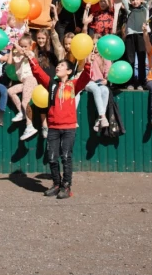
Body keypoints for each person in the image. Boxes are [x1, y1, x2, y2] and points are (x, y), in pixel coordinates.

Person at [28, 52, 92, 199]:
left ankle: (67, 187)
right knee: (51, 157)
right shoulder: (51, 84)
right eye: (58, 65)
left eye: (62, 65)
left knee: (66, 157)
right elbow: (38, 72)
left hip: (69, 127)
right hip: (53, 127)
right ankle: (56, 184)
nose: (58, 67)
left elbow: (86, 77)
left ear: (69, 71)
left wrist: (88, 63)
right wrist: (31, 57)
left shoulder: (74, 84)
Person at [116, 0, 152, 90]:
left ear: (140, 0)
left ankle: (141, 82)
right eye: (132, 0)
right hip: (130, 36)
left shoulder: (145, 7)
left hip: (142, 35)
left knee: (142, 59)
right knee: (130, 59)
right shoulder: (129, 9)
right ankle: (131, 82)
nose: (135, 2)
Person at [8, 36, 39, 141]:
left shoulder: (30, 53)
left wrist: (17, 46)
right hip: (23, 81)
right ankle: (21, 112)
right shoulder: (18, 55)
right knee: (10, 91)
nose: (23, 48)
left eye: (25, 46)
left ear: (30, 46)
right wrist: (12, 49)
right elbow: (9, 62)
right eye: (21, 46)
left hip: (30, 79)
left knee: (25, 102)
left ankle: (30, 126)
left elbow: (25, 53)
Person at [85, 43, 110, 131]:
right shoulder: (87, 54)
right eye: (93, 44)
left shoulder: (105, 57)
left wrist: (106, 80)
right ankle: (103, 117)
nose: (95, 46)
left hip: (99, 82)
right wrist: (88, 60)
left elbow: (107, 73)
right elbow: (84, 71)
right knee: (96, 89)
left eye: (98, 44)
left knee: (105, 90)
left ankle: (99, 120)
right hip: (88, 82)